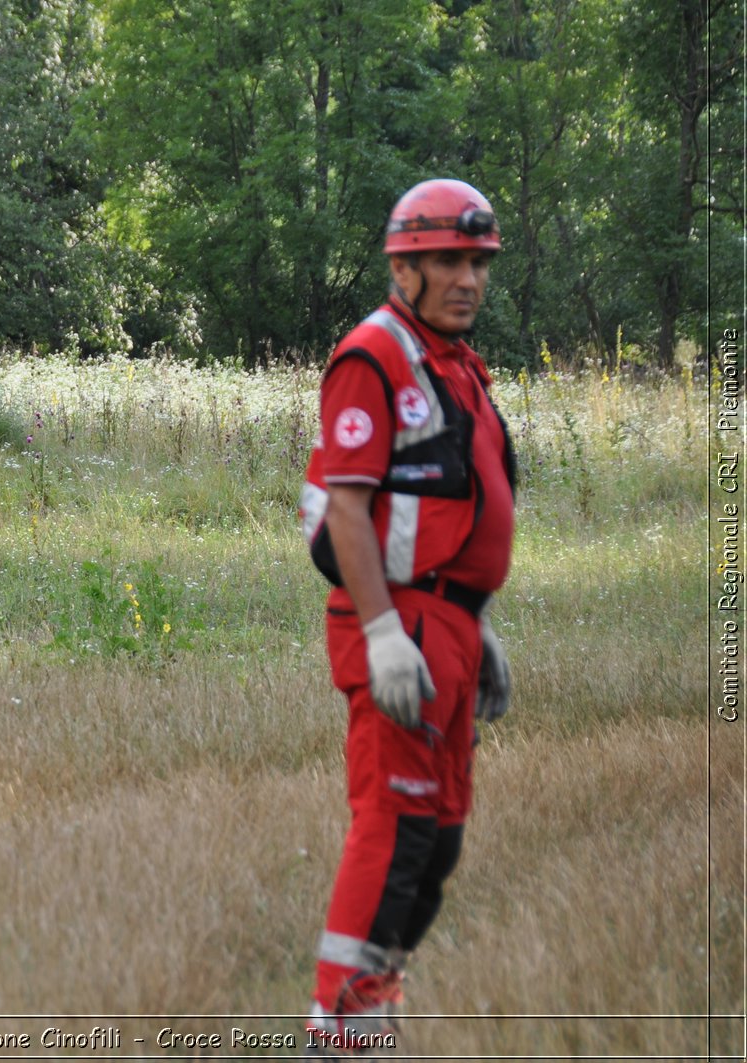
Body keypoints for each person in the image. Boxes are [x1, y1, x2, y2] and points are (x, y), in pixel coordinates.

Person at [297, 179, 517, 1055]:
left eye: (477, 262)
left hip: (449, 625)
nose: (467, 278)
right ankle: (337, 1028)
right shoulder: (374, 355)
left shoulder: (455, 362)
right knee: (394, 827)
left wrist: (478, 620)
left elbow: (456, 506)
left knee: (438, 839)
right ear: (406, 265)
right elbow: (346, 510)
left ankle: (375, 1001)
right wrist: (386, 632)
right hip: (400, 626)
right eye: (448, 261)